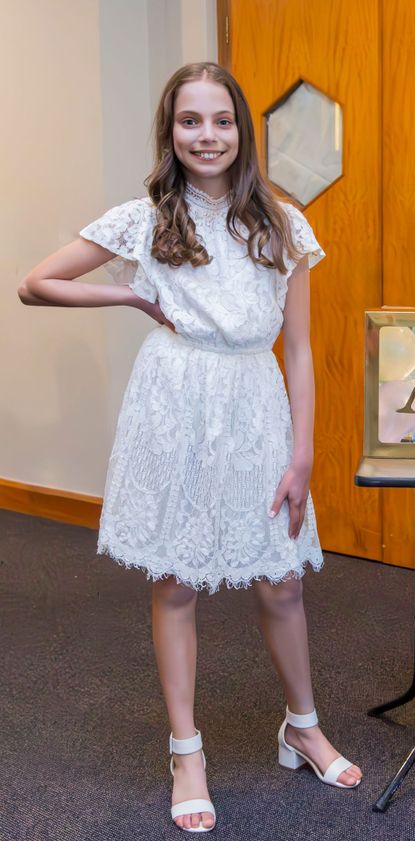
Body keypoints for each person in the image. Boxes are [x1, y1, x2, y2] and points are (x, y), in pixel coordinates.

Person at [17, 61, 362, 833]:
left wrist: (303, 452)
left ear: (242, 130)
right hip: (174, 402)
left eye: (222, 120)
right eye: (190, 121)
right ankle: (186, 752)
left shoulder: (282, 222)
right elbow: (36, 283)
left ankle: (302, 726)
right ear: (170, 132)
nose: (207, 136)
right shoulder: (144, 219)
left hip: (255, 402)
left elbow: (300, 350)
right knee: (176, 582)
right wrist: (131, 293)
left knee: (281, 579)